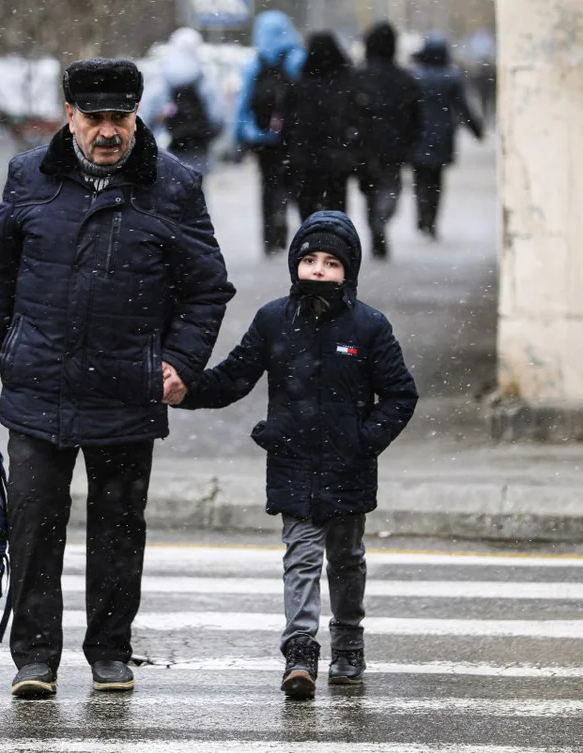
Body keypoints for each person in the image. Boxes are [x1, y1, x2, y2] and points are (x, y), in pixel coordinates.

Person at [0, 58, 235, 698]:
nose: (108, 132)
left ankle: (110, 652)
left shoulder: (175, 186)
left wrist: (182, 363)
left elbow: (207, 290)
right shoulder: (29, 177)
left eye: (120, 118)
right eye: (95, 118)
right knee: (32, 526)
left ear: (137, 115)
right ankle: (35, 660)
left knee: (118, 529)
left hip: (126, 388)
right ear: (69, 117)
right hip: (36, 383)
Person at [173, 210, 418, 699]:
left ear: (348, 272)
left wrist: (364, 440)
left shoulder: (369, 326)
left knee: (346, 559)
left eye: (331, 263)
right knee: (301, 556)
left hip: (349, 466)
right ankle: (300, 651)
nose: (319, 271)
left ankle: (348, 643)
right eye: (310, 260)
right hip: (293, 461)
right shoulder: (273, 321)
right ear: (295, 265)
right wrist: (186, 389)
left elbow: (400, 395)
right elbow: (233, 377)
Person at [234, 9, 305, 254]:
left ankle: (270, 237)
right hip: (292, 138)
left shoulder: (254, 63)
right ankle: (290, 230)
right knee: (294, 184)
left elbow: (242, 104)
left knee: (268, 185)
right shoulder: (297, 59)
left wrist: (244, 134)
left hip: (263, 139)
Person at [353, 21, 422, 258]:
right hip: (393, 145)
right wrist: (410, 141)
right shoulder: (404, 78)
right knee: (389, 188)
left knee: (370, 192)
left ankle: (375, 225)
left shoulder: (358, 76)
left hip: (364, 145)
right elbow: (416, 116)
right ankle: (380, 223)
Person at [410, 34, 483, 240]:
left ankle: (422, 215)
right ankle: (431, 219)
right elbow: (463, 107)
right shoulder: (452, 77)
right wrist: (476, 130)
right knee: (436, 181)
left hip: (418, 133)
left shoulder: (416, 76)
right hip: (442, 134)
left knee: (420, 179)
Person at [285, 31, 360, 220]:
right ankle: (335, 245)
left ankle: (311, 243)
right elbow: (356, 120)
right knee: (336, 209)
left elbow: (288, 125)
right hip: (337, 159)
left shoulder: (300, 86)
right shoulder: (347, 85)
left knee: (307, 209)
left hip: (306, 159)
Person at [138, 27, 225, 176]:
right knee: (195, 192)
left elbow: (144, 119)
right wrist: (205, 136)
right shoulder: (204, 80)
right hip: (198, 151)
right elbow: (218, 118)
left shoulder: (160, 80)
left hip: (166, 150)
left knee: (168, 193)